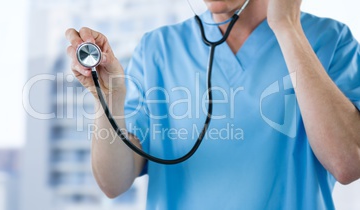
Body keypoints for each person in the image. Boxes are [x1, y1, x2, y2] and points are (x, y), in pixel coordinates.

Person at [65, 0, 360, 209]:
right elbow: (113, 183)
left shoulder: (331, 40)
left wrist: (287, 27)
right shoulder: (158, 48)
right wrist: (108, 98)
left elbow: (349, 164)